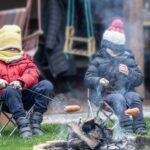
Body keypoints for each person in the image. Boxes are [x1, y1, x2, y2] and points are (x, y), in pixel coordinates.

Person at [84, 19, 147, 135]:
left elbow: (139, 79)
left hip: (126, 93)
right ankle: (126, 127)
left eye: (118, 50)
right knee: (118, 97)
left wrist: (129, 72)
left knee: (134, 96)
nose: (114, 53)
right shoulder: (98, 60)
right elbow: (88, 78)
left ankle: (139, 126)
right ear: (107, 44)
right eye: (112, 48)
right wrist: (98, 80)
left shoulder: (127, 59)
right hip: (105, 96)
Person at [0, 25, 53, 138]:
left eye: (15, 48)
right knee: (10, 90)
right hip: (6, 101)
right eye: (9, 48)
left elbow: (32, 73)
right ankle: (23, 126)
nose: (12, 50)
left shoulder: (26, 59)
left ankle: (35, 122)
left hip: (26, 97)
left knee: (46, 85)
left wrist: (21, 82)